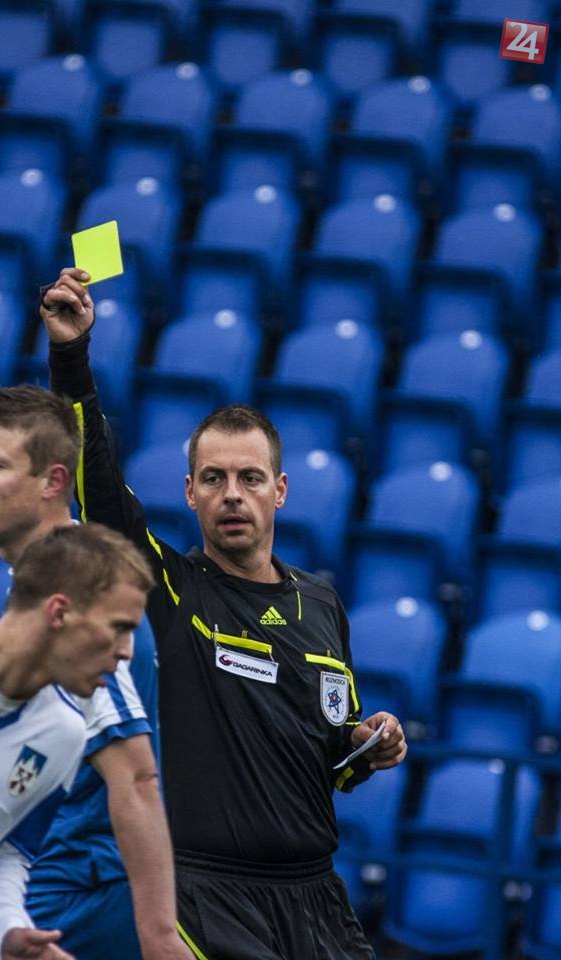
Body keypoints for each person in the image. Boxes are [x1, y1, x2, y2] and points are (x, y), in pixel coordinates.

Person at [41, 267, 409, 960]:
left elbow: (332, 757)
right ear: (190, 492)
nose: (232, 494)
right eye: (214, 478)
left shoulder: (321, 604)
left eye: (249, 478)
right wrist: (71, 358)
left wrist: (369, 743)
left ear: (280, 491)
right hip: (205, 896)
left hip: (316, 897)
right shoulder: (171, 590)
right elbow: (99, 490)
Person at [0, 384, 191, 960]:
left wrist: (160, 937)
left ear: (53, 481)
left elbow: (135, 776)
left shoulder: (81, 594)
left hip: (75, 900)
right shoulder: (49, 580)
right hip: (47, 887)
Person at [0, 522, 152, 960]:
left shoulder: (63, 736)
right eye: (119, 628)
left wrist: (7, 931)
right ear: (59, 613)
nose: (126, 651)